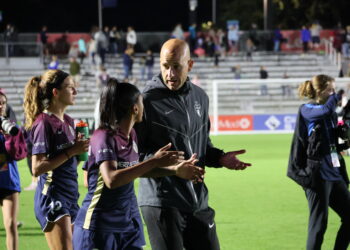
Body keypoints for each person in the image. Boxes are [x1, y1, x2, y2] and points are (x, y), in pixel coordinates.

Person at [135, 38, 251, 250]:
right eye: (165, 66)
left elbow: (203, 145)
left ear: (190, 65)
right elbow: (134, 159)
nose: (170, 74)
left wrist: (220, 158)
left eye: (176, 67)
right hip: (162, 202)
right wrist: (173, 169)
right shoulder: (146, 102)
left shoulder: (201, 97)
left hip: (197, 199)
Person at [73, 78, 204, 249]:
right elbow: (111, 179)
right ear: (135, 108)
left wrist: (174, 171)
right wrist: (154, 161)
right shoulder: (103, 136)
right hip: (99, 226)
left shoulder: (131, 135)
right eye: (142, 102)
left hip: (127, 224)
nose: (144, 107)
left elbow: (133, 170)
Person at [23, 69, 90, 250]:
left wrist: (80, 151)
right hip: (52, 195)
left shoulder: (69, 121)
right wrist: (71, 152)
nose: (75, 92)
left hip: (70, 195)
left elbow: (68, 161)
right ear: (56, 92)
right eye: (70, 87)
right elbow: (37, 168)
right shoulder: (43, 123)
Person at [287, 75, 350, 250]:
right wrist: (336, 98)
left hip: (334, 171)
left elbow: (341, 140)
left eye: (334, 90)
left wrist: (345, 120)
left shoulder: (330, 112)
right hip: (316, 175)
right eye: (330, 90)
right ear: (319, 91)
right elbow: (323, 111)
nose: (333, 93)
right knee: (319, 225)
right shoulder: (307, 109)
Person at [0, 90, 27, 250]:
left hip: (8, 181)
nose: (0, 106)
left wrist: (10, 138)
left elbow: (19, 154)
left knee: (10, 224)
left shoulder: (12, 128)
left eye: (3, 103)